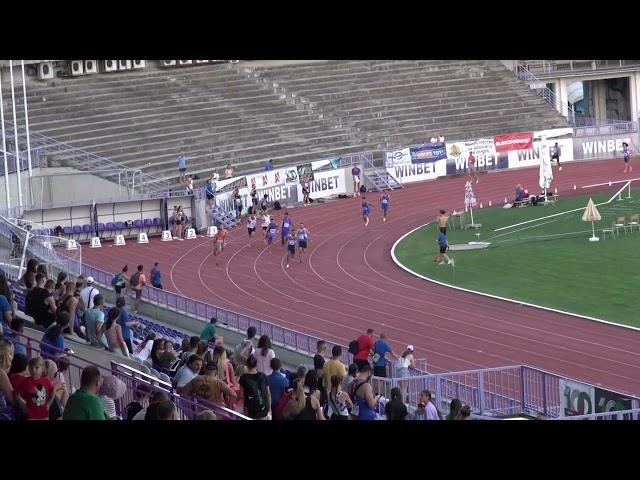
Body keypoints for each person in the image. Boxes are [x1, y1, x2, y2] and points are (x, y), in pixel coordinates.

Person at [238, 354, 271, 420]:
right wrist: (269, 410)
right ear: (256, 365)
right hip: (264, 409)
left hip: (251, 410)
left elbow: (241, 396)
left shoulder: (243, 378)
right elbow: (268, 394)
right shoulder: (263, 376)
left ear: (246, 365)